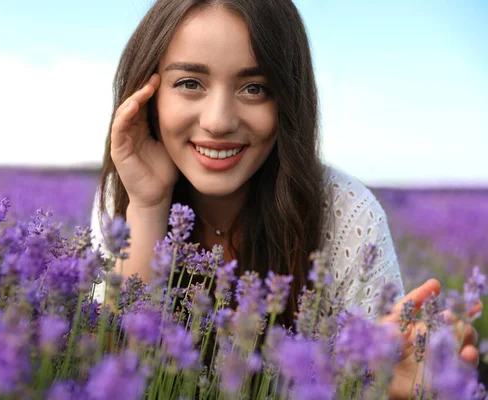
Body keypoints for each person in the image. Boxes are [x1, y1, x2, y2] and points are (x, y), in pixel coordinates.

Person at [89, 0, 481, 397]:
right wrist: (148, 206)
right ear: (148, 94)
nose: (219, 120)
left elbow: (382, 373)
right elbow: (112, 369)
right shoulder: (124, 194)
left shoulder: (347, 213)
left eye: (254, 88)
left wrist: (386, 386)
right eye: (190, 83)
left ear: (288, 102)